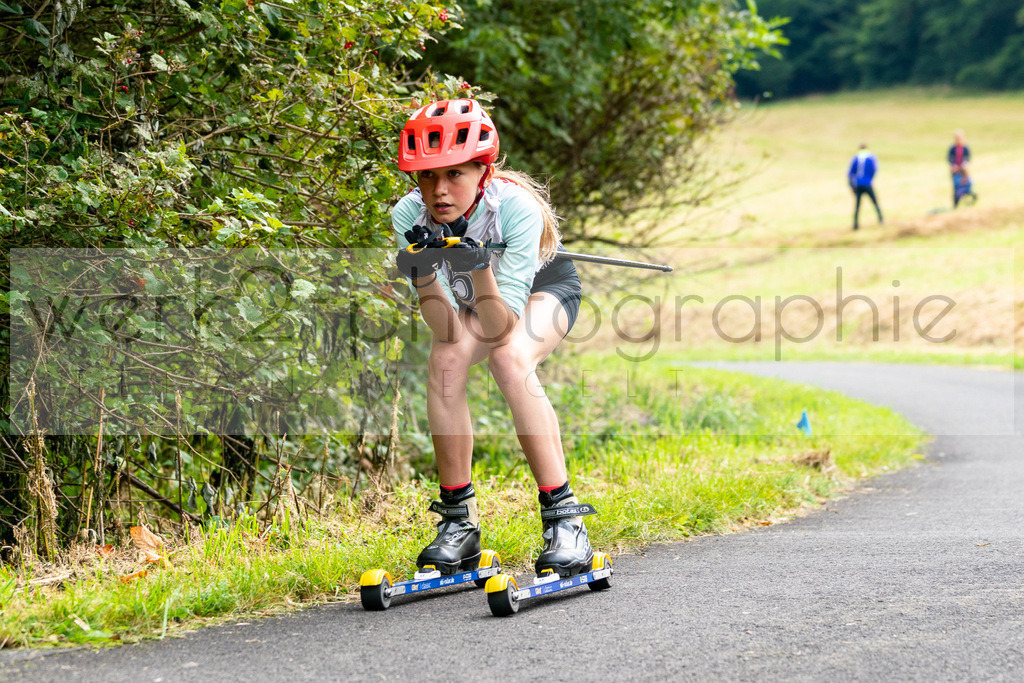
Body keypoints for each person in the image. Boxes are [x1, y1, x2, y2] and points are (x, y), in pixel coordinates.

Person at [391, 98, 595, 581]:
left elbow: (502, 325)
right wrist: (422, 275)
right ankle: (459, 522)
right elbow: (444, 327)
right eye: (426, 177)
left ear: (483, 172)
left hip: (543, 292)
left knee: (509, 360)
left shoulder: (516, 210)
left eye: (454, 175)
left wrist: (479, 266)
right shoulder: (408, 215)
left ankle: (565, 521)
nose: (438, 191)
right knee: (444, 362)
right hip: (471, 300)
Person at [847, 142, 883, 231]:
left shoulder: (855, 158)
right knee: (875, 202)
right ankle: (881, 220)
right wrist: (870, 178)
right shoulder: (871, 158)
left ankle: (855, 224)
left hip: (858, 184)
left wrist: (851, 185)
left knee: (857, 205)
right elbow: (874, 169)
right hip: (867, 184)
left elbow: (850, 173)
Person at [948, 130, 978, 208]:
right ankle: (955, 205)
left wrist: (965, 164)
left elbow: (968, 158)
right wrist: (953, 165)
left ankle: (969, 197)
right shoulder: (952, 148)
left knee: (966, 184)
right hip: (955, 171)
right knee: (956, 187)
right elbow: (949, 158)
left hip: (963, 170)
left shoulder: (965, 148)